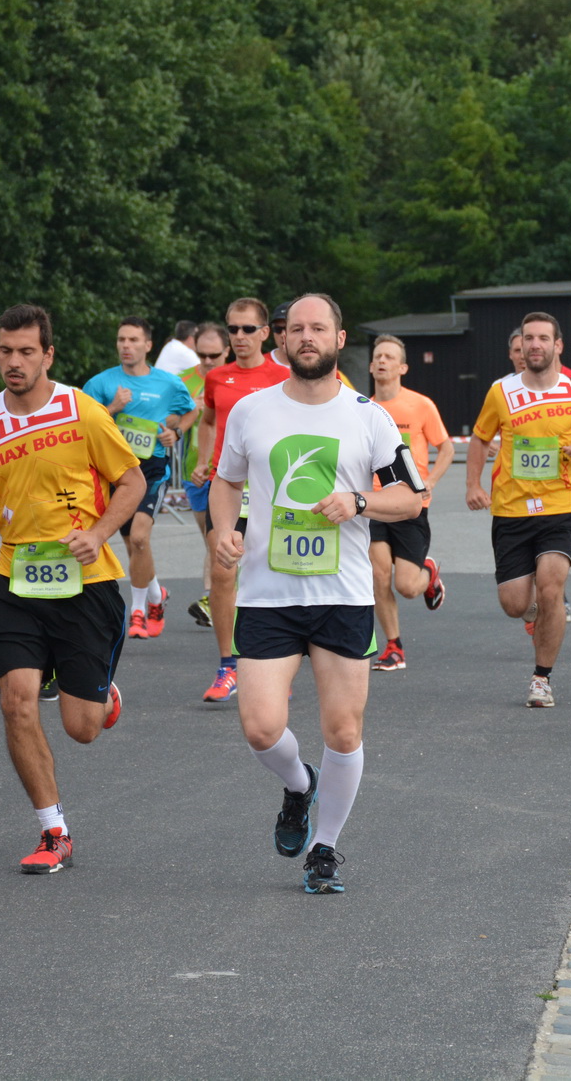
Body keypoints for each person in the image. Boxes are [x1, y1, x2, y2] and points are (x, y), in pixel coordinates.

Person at [210, 293, 424, 894]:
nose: (306, 337)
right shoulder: (252, 411)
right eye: (296, 329)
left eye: (318, 328)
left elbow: (412, 496)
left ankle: (325, 848)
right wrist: (224, 529)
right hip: (267, 594)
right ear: (282, 339)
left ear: (338, 338)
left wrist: (359, 501)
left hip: (343, 595)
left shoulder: (368, 416)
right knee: (259, 726)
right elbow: (226, 481)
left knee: (344, 731)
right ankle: (300, 785)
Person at [0, 303, 142, 873]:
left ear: (48, 355)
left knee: (81, 729)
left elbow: (130, 480)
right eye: (6, 351)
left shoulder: (81, 410)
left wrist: (102, 531)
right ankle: (52, 830)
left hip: (86, 582)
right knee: (16, 702)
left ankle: (96, 692)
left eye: (26, 351)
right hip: (15, 579)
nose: (14, 362)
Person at [467, 312, 571, 707]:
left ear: (557, 345)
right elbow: (480, 439)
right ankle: (536, 614)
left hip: (561, 505)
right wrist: (473, 485)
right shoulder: (501, 392)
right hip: (511, 509)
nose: (535, 345)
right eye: (529, 338)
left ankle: (541, 679)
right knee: (515, 603)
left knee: (551, 587)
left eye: (543, 338)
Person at [191, 298, 290, 702]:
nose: (240, 337)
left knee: (275, 574)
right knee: (222, 570)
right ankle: (228, 665)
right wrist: (203, 461)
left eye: (249, 329)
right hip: (228, 487)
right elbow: (210, 421)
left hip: (272, 490)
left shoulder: (284, 376)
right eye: (233, 329)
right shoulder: (218, 377)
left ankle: (277, 661)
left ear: (266, 333)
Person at [84, 316, 196, 638]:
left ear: (148, 345)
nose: (126, 346)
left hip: (151, 470)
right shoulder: (101, 384)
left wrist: (175, 432)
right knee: (136, 548)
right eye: (121, 340)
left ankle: (137, 613)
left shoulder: (167, 383)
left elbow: (190, 412)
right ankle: (157, 595)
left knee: (139, 538)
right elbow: (84, 427)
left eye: (133, 340)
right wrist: (112, 406)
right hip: (115, 472)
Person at [366, 333, 452, 671]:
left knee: (406, 586)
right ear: (371, 366)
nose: (382, 361)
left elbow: (445, 448)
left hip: (410, 503)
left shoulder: (420, 405)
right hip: (374, 502)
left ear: (402, 367)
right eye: (378, 357)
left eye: (389, 357)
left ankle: (428, 572)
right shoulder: (364, 409)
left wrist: (430, 480)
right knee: (378, 572)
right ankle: (393, 646)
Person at [181, 323, 231, 628]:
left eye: (214, 354)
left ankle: (213, 599)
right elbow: (168, 419)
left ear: (227, 350)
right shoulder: (183, 380)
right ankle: (216, 598)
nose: (208, 360)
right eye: (202, 354)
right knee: (211, 539)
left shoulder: (237, 378)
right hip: (195, 472)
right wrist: (188, 414)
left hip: (232, 474)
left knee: (221, 540)